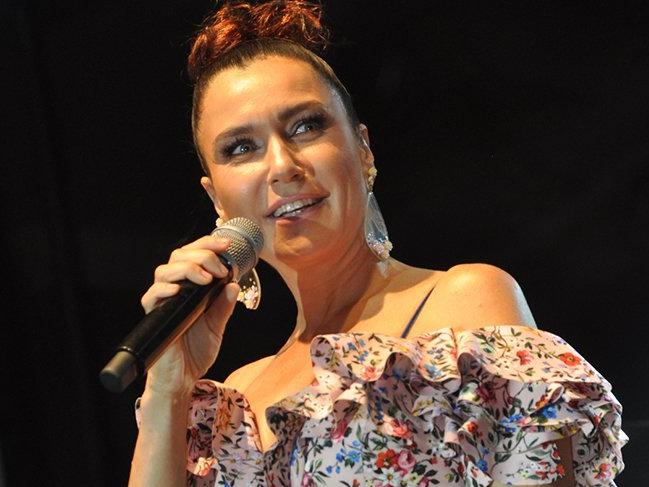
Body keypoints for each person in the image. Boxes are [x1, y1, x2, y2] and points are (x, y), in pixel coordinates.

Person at [128, 1, 626, 486]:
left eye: (305, 126)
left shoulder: (463, 306)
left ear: (362, 149)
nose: (282, 166)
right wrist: (168, 388)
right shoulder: (230, 405)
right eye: (241, 148)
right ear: (217, 198)